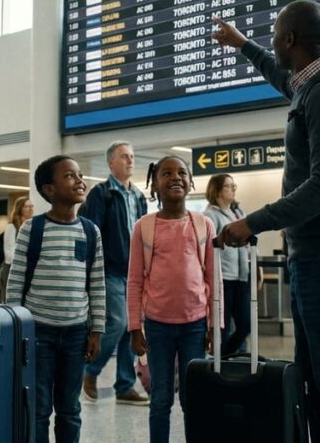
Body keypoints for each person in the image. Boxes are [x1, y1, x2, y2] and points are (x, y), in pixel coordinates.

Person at [212, 2, 320, 441]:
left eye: (273, 36)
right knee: (317, 379)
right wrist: (243, 44)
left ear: (289, 40)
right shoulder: (312, 85)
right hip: (317, 256)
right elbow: (281, 77)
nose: (272, 44)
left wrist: (253, 223)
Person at [5, 156, 105, 443]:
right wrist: (17, 329)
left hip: (76, 334)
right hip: (38, 333)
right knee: (38, 408)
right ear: (49, 189)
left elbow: (96, 283)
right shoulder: (32, 229)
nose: (80, 181)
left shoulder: (90, 231)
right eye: (70, 176)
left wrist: (96, 330)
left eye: (80, 175)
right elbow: (16, 281)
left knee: (70, 409)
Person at [127, 156, 219, 443]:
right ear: (155, 185)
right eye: (166, 173)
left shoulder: (203, 225)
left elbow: (213, 279)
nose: (175, 177)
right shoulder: (144, 227)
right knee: (160, 397)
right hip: (157, 326)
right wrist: (134, 327)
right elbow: (134, 280)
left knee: (193, 398)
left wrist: (214, 325)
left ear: (191, 183)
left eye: (182, 173)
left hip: (195, 324)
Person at [79, 141, 149, 405]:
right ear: (110, 163)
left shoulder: (138, 196)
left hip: (135, 272)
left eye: (132, 156)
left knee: (133, 327)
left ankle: (124, 385)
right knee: (117, 322)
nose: (130, 160)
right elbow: (91, 232)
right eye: (124, 156)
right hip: (110, 270)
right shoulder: (101, 194)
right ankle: (90, 370)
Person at [202, 174, 250, 356]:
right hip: (224, 279)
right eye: (229, 186)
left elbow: (249, 242)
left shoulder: (238, 213)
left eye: (234, 185)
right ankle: (220, 361)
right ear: (217, 191)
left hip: (241, 277)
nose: (234, 188)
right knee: (223, 326)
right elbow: (209, 247)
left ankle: (224, 356)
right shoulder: (210, 215)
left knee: (245, 324)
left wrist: (256, 268)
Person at [0, 197, 34, 304]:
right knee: (10, 300)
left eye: (32, 206)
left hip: (27, 269)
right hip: (12, 268)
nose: (31, 209)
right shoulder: (12, 227)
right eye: (27, 206)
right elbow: (9, 254)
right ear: (20, 209)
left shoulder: (32, 226)